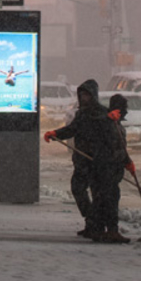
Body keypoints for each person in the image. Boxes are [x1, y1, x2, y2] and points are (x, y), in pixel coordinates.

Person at [43, 79, 102, 238]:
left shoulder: (101, 114)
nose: (84, 99)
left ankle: (97, 224)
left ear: (93, 96)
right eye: (81, 95)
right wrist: (56, 133)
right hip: (82, 160)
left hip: (96, 160)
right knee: (78, 188)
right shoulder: (81, 114)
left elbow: (108, 136)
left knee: (98, 193)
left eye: (87, 95)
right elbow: (72, 129)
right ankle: (91, 220)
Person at [90, 94, 134, 244]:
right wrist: (108, 119)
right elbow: (111, 144)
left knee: (105, 199)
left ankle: (100, 230)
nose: (126, 111)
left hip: (112, 168)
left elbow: (120, 147)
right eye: (124, 108)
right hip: (105, 168)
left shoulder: (117, 123)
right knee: (108, 200)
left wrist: (127, 162)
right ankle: (109, 231)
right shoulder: (107, 122)